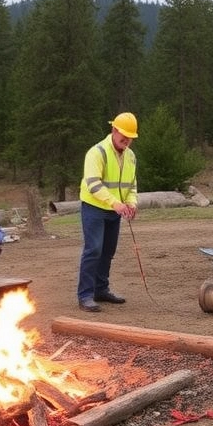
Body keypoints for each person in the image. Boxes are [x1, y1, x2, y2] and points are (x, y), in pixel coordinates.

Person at [76, 112, 139, 312]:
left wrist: (131, 203)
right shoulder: (97, 153)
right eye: (124, 135)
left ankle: (101, 290)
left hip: (115, 210)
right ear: (114, 130)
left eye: (130, 136)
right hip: (94, 208)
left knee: (108, 251)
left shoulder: (130, 156)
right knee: (93, 249)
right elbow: (93, 184)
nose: (127, 140)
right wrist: (115, 203)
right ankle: (85, 295)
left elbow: (132, 184)